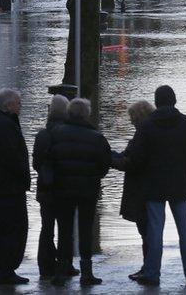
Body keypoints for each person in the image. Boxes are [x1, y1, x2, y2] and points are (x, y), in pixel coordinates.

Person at [125, 86, 186, 287]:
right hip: (181, 185)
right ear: (174, 100)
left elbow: (136, 157)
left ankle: (153, 273)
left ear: (157, 101)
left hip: (154, 186)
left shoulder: (147, 127)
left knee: (155, 231)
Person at [40, 98, 112, 287]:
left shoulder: (56, 134)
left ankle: (62, 271)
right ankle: (86, 273)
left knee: (64, 230)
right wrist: (93, 176)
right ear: (87, 114)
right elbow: (104, 165)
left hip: (62, 190)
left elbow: (48, 161)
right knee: (86, 230)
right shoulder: (96, 137)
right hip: (88, 190)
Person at [0, 89, 30, 285]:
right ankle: (5, 270)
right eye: (18, 103)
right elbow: (12, 157)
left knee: (2, 227)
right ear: (9, 106)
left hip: (0, 186)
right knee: (13, 228)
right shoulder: (4, 126)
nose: (20, 107)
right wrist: (22, 178)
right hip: (9, 187)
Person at [32, 95, 77, 280]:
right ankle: (65, 265)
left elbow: (36, 163)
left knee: (46, 228)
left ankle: (45, 266)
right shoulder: (70, 132)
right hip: (66, 189)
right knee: (66, 229)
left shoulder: (42, 134)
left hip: (45, 190)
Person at [112, 100, 156, 282]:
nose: (130, 121)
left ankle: (149, 269)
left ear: (138, 118)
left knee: (146, 231)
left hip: (141, 191)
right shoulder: (151, 133)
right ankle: (149, 267)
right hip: (151, 189)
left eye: (131, 118)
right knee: (148, 231)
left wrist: (110, 159)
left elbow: (132, 162)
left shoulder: (142, 136)